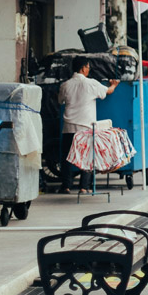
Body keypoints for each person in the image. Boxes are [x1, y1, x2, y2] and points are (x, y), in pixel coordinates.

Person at [58, 56, 119, 194]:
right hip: (85, 128)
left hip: (68, 127)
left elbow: (60, 100)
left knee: (67, 158)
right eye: (88, 68)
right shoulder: (91, 83)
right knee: (87, 157)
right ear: (83, 68)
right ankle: (83, 187)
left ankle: (66, 186)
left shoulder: (65, 85)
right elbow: (108, 91)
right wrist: (114, 85)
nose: (88, 70)